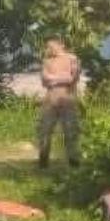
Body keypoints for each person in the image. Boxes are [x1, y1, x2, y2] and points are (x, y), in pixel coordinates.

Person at [38, 39, 82, 168]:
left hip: (67, 99)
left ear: (61, 45)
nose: (50, 48)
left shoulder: (72, 59)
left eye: (52, 46)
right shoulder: (47, 61)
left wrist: (54, 78)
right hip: (50, 99)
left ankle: (74, 161)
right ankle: (43, 161)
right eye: (48, 46)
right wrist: (61, 77)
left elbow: (72, 78)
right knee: (44, 130)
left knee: (70, 131)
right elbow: (44, 80)